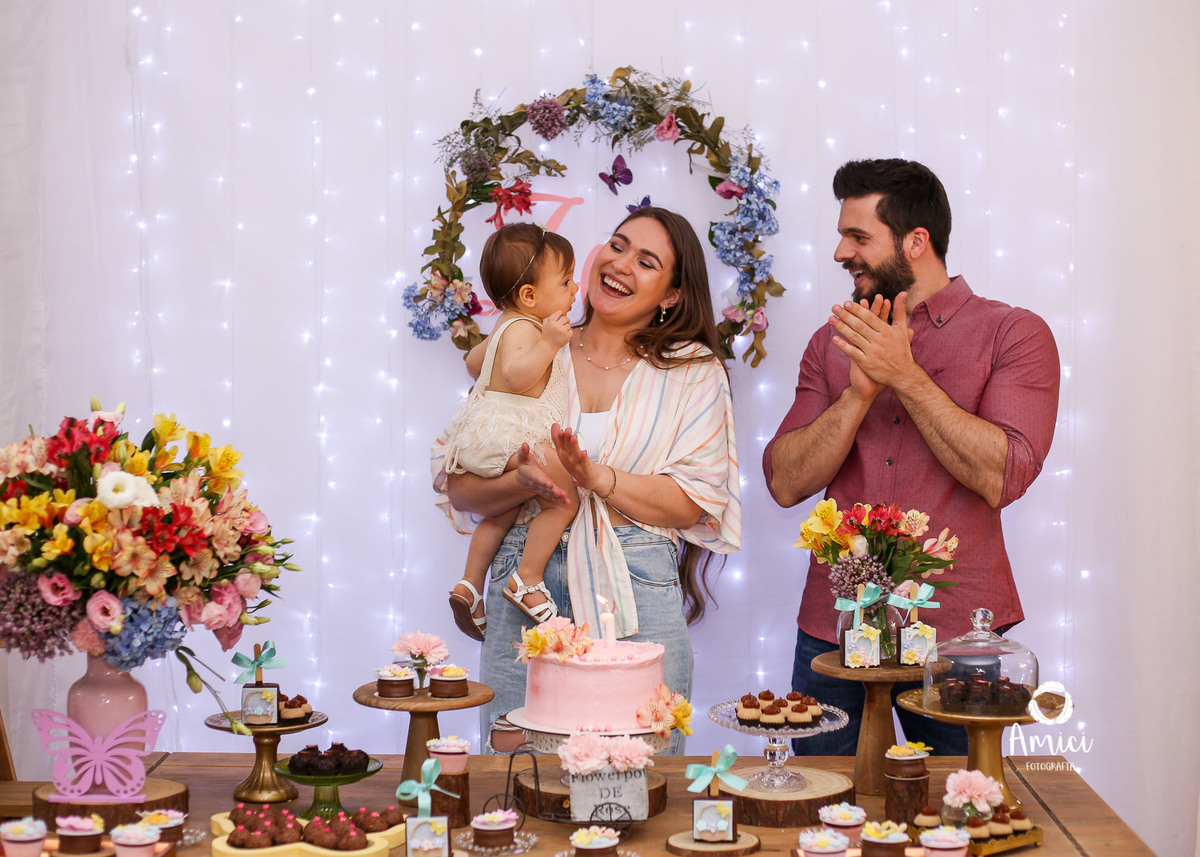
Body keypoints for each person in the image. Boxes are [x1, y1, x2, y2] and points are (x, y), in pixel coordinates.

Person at [763, 158, 1060, 755]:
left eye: (858, 237)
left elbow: (1004, 475)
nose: (841, 253)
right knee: (823, 799)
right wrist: (857, 396)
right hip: (835, 623)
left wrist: (905, 375)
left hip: (958, 631)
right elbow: (785, 481)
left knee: (963, 797)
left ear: (916, 241)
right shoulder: (832, 341)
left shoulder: (1013, 333)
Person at [432, 207, 742, 754]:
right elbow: (459, 483)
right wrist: (532, 484)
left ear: (672, 294)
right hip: (522, 586)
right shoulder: (532, 349)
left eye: (646, 261)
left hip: (636, 583)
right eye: (617, 246)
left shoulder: (693, 371)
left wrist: (596, 478)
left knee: (643, 775)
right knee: (518, 777)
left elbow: (694, 503)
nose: (620, 264)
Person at [444, 223, 580, 640]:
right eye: (566, 281)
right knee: (563, 502)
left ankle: (470, 584)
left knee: (502, 510)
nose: (575, 288)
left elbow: (474, 364)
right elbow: (518, 378)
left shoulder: (505, 325)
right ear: (530, 296)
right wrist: (548, 344)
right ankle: (527, 577)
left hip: (483, 434)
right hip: (515, 436)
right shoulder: (527, 329)